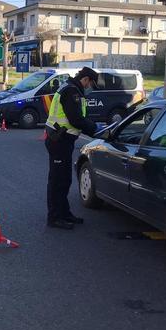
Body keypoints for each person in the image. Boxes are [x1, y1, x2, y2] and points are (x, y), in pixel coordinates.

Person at [44, 67, 103, 229]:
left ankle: (64, 212)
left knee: (64, 179)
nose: (90, 88)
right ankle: (55, 217)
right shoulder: (71, 92)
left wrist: (93, 125)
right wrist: (95, 129)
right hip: (59, 141)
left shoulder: (72, 88)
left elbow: (78, 117)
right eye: (91, 84)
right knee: (57, 181)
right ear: (85, 80)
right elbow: (76, 119)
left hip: (62, 140)